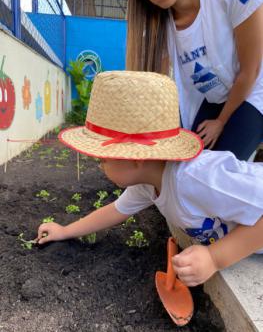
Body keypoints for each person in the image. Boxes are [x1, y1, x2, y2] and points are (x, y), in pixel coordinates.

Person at [37, 71, 263, 287]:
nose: (100, 165)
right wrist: (65, 231)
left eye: (103, 159)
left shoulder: (196, 177)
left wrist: (215, 258)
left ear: (136, 158)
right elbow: (115, 210)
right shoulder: (148, 183)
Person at [126, 0, 263, 160]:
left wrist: (220, 122)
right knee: (186, 163)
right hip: (214, 97)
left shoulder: (232, 1)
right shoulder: (158, 25)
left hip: (254, 89)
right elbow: (158, 85)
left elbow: (251, 71)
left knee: (218, 169)